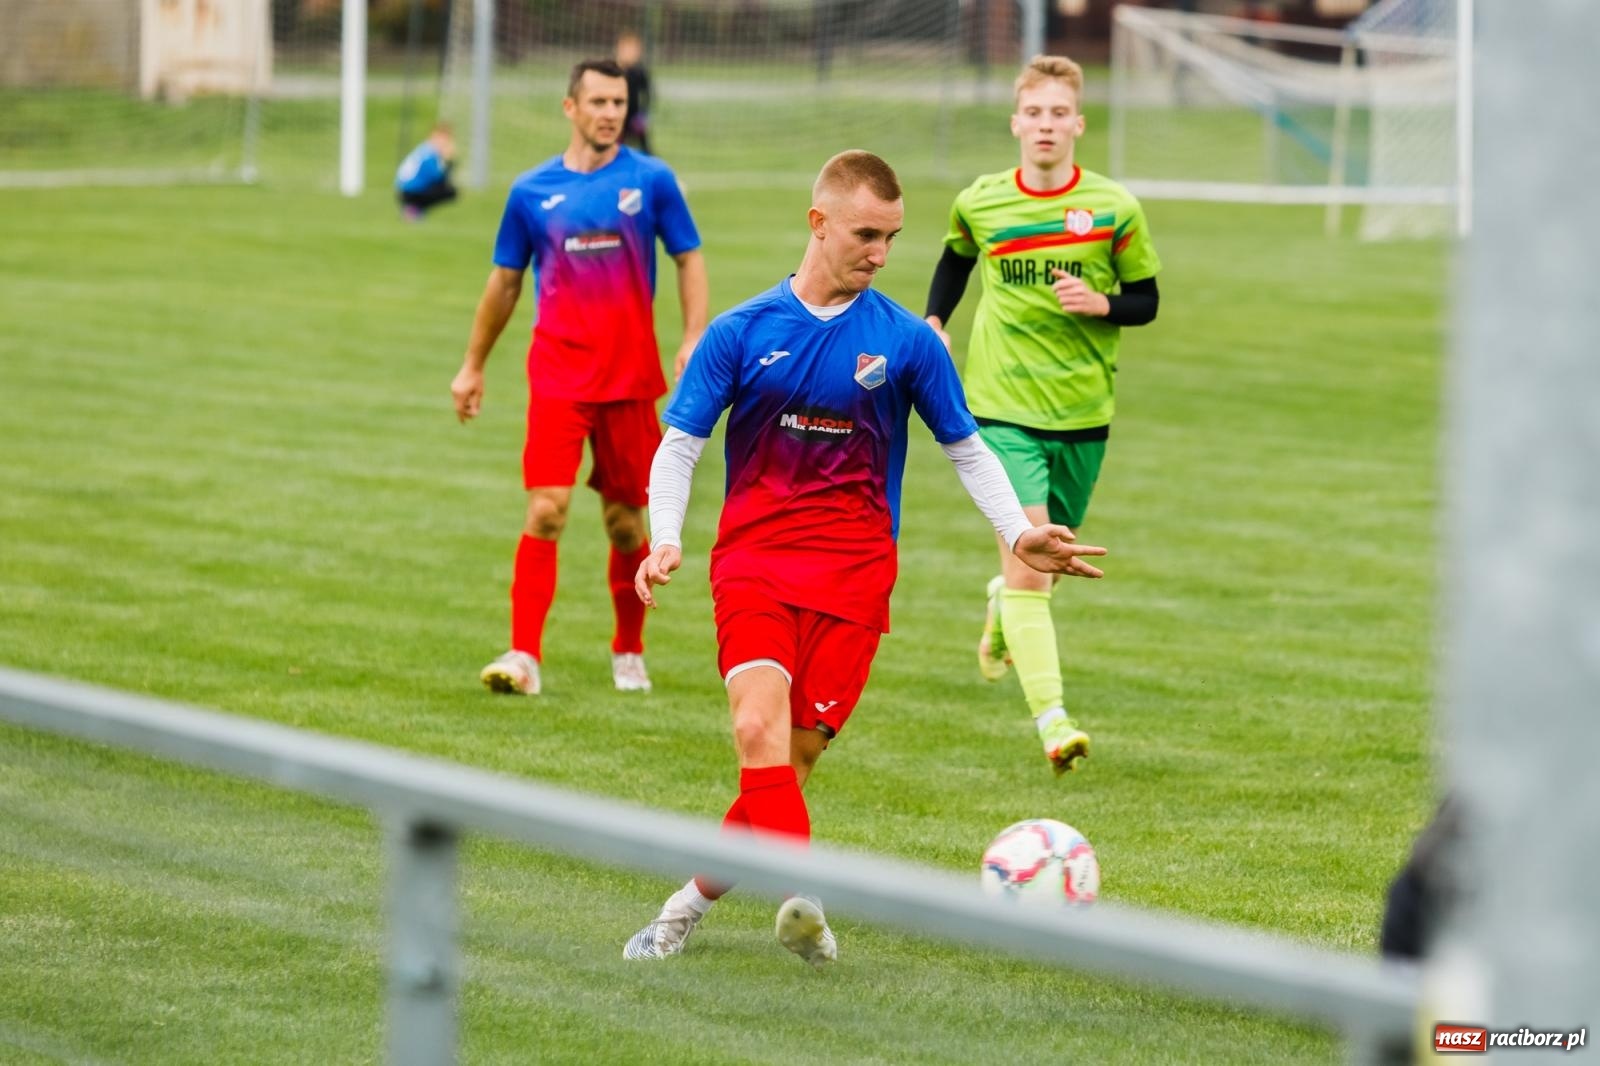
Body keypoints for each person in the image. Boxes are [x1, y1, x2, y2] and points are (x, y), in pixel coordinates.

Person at [622, 150, 1109, 966]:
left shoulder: (907, 343)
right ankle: (803, 903)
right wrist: (665, 533)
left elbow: (967, 448)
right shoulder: (743, 331)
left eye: (892, 237)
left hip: (856, 574)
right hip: (756, 561)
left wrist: (1016, 532)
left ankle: (682, 907)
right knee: (755, 729)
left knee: (788, 766)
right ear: (818, 223)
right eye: (865, 234)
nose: (881, 253)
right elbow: (679, 448)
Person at [923, 55, 1161, 776]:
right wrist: (934, 319)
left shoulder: (1115, 208)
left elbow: (1147, 300)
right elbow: (956, 258)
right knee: (1035, 564)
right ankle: (1055, 723)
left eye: (1060, 113)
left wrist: (1103, 304)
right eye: (1035, 113)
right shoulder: (982, 200)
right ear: (1016, 122)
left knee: (1042, 566)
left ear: (1078, 124)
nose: (1046, 125)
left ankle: (1002, 606)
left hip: (1084, 412)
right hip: (999, 409)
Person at [450, 58, 708, 697]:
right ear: (570, 107)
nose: (610, 113)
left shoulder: (652, 181)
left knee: (625, 524)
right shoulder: (531, 192)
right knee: (546, 509)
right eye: (597, 101)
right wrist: (473, 364)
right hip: (560, 377)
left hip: (630, 382)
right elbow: (505, 283)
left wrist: (694, 334)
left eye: (618, 102)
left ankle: (628, 648)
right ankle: (523, 656)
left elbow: (688, 257)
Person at [395, 123, 458, 221]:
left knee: (445, 188)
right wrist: (449, 161)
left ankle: (415, 209)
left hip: (404, 190)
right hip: (411, 191)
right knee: (449, 191)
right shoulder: (429, 153)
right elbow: (437, 176)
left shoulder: (424, 149)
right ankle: (414, 209)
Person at [615, 31, 653, 156]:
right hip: (619, 114)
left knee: (645, 148)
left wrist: (644, 114)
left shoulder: (640, 71)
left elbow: (648, 94)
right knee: (613, 146)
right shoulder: (615, 70)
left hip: (634, 115)